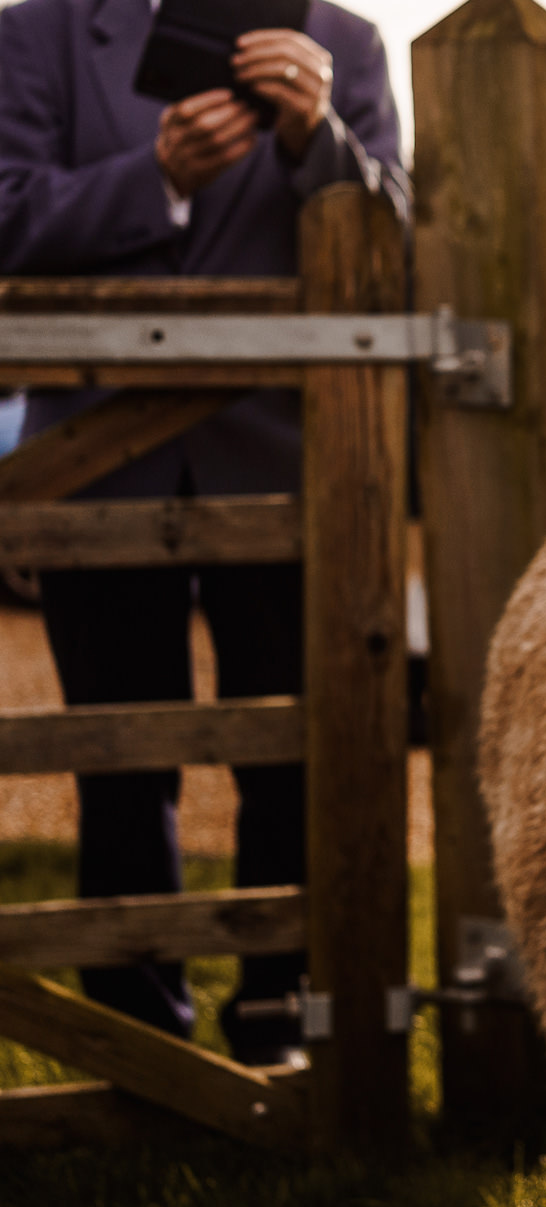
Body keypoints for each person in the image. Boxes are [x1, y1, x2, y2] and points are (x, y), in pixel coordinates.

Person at [0, 0, 408, 1065]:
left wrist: (322, 141)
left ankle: (281, 1019)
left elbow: (402, 242)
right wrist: (159, 176)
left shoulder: (345, 43)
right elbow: (5, 216)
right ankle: (136, 1034)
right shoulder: (31, 33)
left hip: (289, 466)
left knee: (292, 759)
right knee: (118, 760)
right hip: (91, 462)